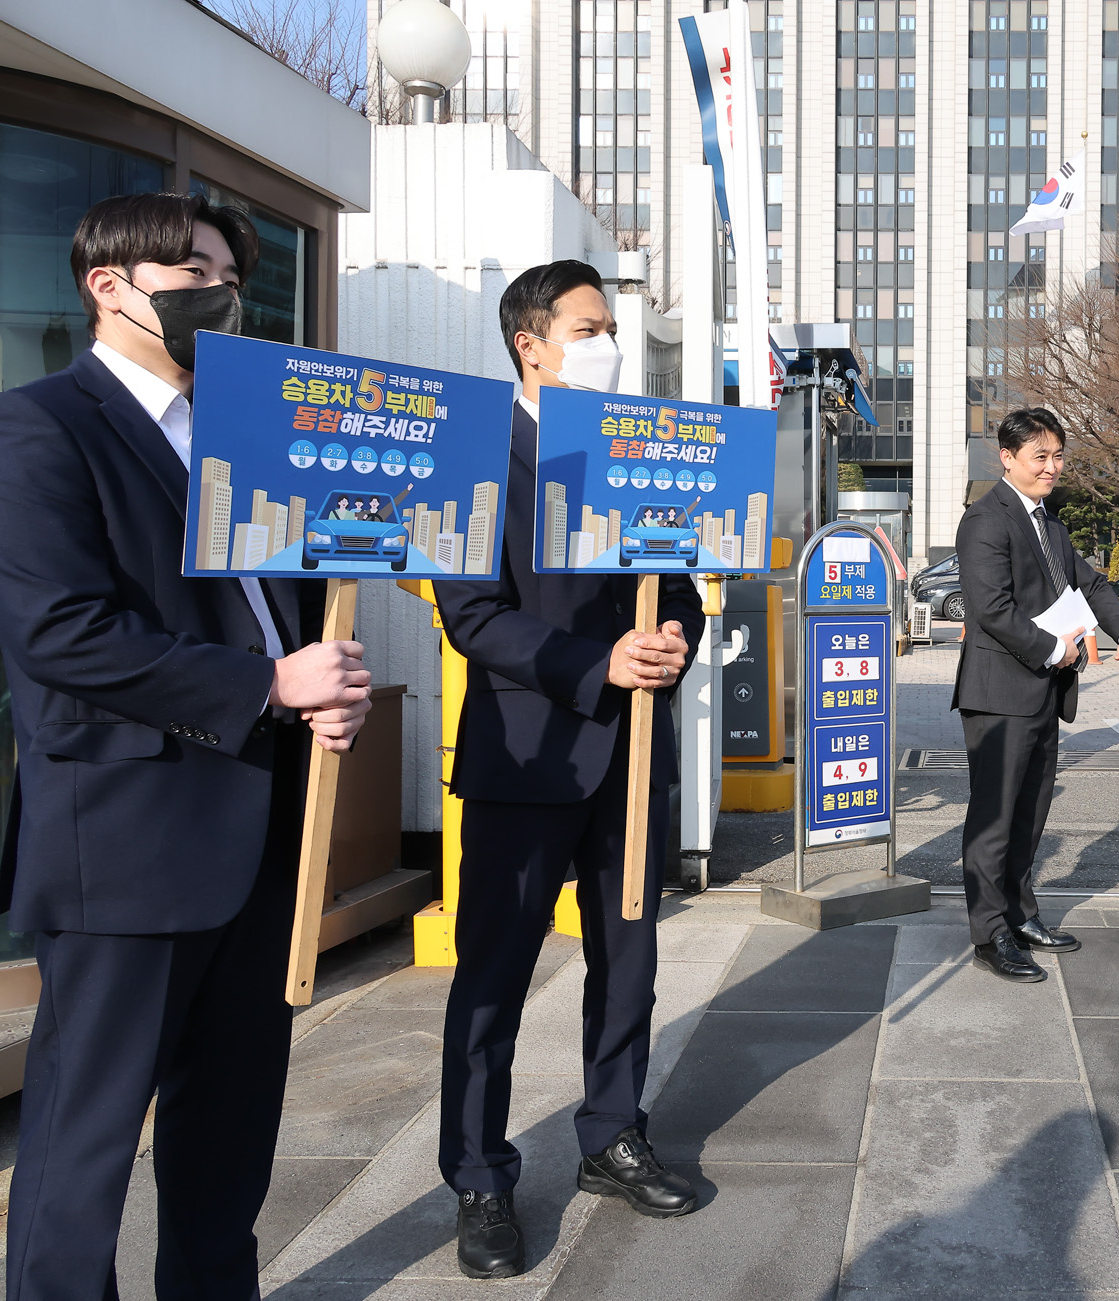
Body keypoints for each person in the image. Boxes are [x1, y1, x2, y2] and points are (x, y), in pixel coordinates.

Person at [0, 193, 371, 1301]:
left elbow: (284, 619)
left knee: (229, 1138)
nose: (218, 288)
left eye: (228, 270)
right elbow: (60, 633)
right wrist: (263, 684)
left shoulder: (253, 440)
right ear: (109, 284)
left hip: (262, 830)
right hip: (125, 845)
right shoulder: (31, 425)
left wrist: (319, 689)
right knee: (83, 1147)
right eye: (191, 267)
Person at [434, 259, 705, 1279]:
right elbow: (473, 618)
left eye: (608, 326)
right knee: (493, 978)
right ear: (529, 343)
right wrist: (598, 666)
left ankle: (611, 1132)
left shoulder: (630, 452)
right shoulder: (476, 455)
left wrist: (672, 636)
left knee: (627, 962)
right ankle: (478, 1174)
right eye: (589, 326)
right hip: (525, 757)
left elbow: (678, 586)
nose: (607, 342)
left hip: (631, 759)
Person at [951, 408, 1119, 982]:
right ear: (1007, 458)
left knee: (1030, 813)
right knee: (994, 817)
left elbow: (1091, 584)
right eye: (1041, 456)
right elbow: (991, 610)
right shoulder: (985, 520)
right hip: (999, 692)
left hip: (1043, 694)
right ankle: (990, 935)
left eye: (1058, 456)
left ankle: (1020, 913)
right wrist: (1055, 650)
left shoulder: (1051, 526)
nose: (1052, 467)